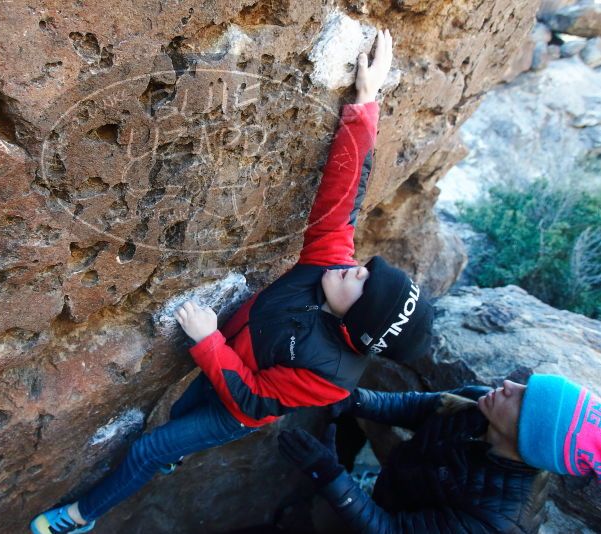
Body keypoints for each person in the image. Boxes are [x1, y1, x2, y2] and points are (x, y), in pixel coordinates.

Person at [31, 28, 435, 533]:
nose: (356, 266)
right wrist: (367, 100)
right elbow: (345, 190)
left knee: (152, 446)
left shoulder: (328, 377)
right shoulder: (331, 264)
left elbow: (252, 399)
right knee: (182, 409)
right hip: (228, 354)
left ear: (357, 325)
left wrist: (210, 342)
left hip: (237, 403)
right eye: (366, 268)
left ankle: (80, 517)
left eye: (362, 284)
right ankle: (178, 446)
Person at [278, 374, 601, 532]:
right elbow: (418, 406)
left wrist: (329, 474)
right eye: (525, 384)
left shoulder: (495, 519)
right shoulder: (480, 404)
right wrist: (352, 400)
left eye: (523, 399)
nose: (508, 384)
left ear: (529, 440)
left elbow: (392, 531)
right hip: (399, 490)